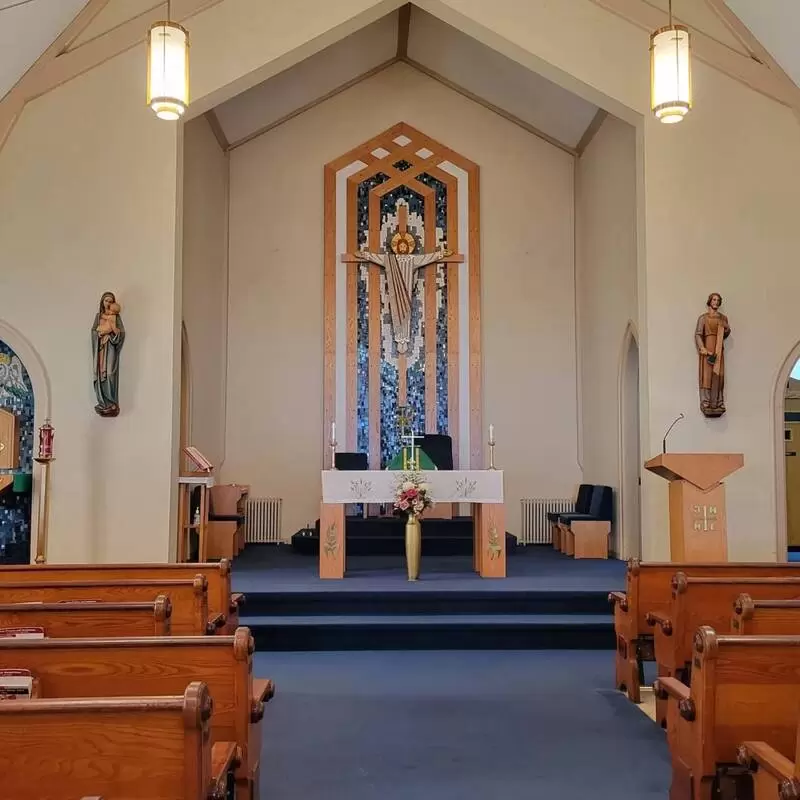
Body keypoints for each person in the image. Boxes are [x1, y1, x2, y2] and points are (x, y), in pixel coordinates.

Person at [695, 292, 730, 417]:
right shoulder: (703, 318)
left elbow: (726, 332)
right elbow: (698, 334)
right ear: (710, 301)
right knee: (707, 375)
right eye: (714, 299)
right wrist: (702, 347)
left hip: (719, 348)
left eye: (718, 300)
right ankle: (706, 401)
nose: (716, 302)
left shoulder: (722, 318)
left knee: (719, 375)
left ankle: (719, 401)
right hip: (708, 347)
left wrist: (726, 328)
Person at [91, 292, 125, 417]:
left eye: (111, 301)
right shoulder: (98, 316)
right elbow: (93, 332)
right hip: (100, 349)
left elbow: (121, 333)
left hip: (110, 348)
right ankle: (103, 402)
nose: (108, 303)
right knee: (100, 373)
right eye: (106, 301)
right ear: (102, 302)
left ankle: (112, 402)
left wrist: (113, 333)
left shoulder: (116, 317)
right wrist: (99, 335)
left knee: (110, 372)